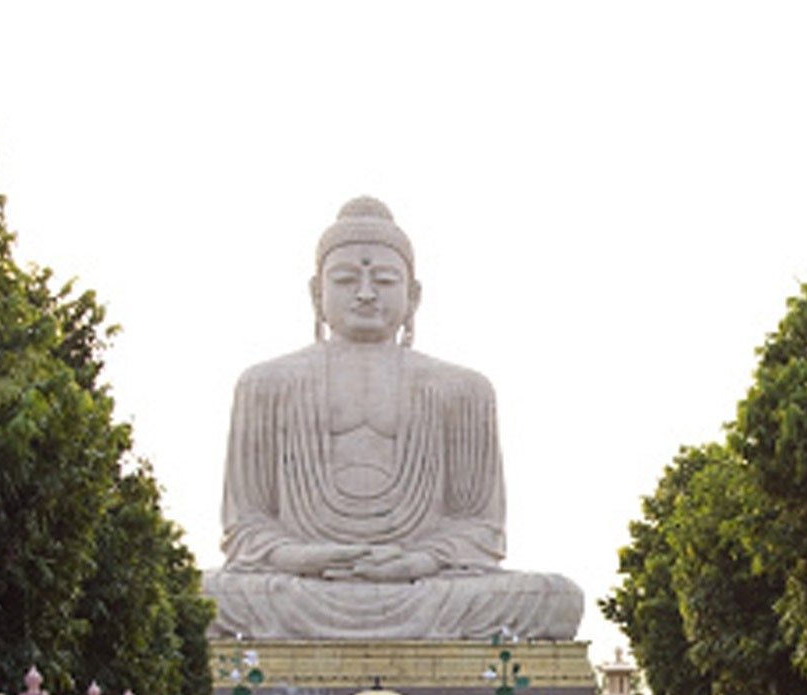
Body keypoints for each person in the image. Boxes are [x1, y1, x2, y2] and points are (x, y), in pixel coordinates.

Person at [204, 196, 582, 641]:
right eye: (346, 279)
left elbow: (479, 528)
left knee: (555, 597)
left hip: (425, 585)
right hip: (304, 584)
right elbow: (247, 526)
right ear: (315, 292)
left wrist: (419, 562)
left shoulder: (464, 388)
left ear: (414, 295)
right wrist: (307, 558)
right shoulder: (264, 383)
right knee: (198, 597)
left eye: (384, 280)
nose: (365, 293)